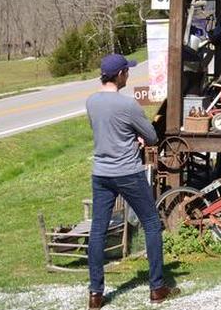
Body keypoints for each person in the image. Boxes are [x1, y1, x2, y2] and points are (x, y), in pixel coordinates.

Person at [84, 54, 179, 308]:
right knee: (151, 224)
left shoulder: (91, 102)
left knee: (98, 230)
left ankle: (95, 294)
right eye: (127, 71)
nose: (129, 75)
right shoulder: (128, 106)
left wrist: (127, 135)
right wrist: (136, 136)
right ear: (119, 75)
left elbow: (103, 130)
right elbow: (151, 136)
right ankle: (157, 288)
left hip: (101, 173)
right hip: (127, 172)